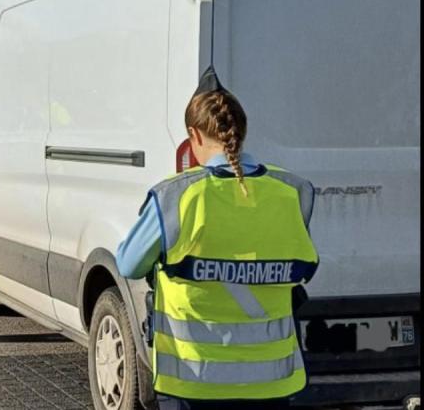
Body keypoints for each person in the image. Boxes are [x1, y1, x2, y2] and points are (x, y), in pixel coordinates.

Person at [115, 66, 318, 410]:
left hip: (197, 378)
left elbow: (129, 264)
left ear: (193, 135)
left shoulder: (175, 197)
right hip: (271, 379)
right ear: (243, 131)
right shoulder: (291, 192)